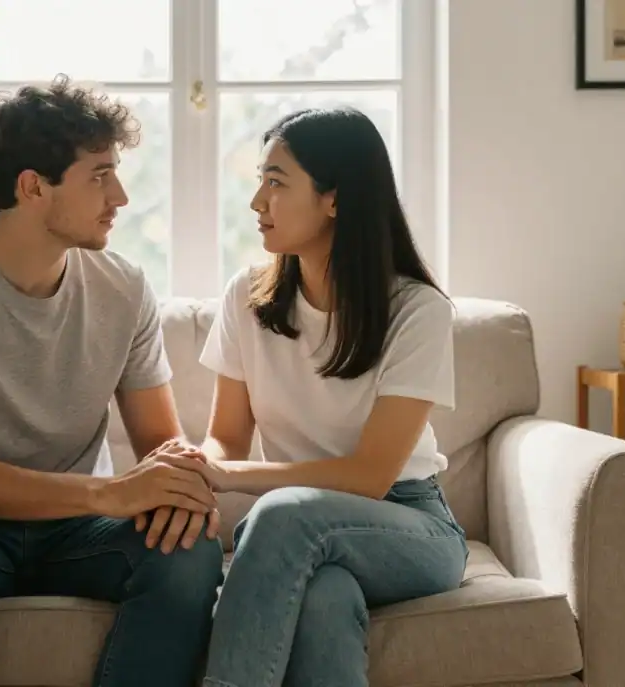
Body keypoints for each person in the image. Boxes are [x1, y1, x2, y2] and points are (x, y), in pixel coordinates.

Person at [0, 75, 224, 687]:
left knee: (189, 549)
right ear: (33, 187)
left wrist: (179, 481)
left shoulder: (123, 287)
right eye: (99, 176)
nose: (121, 196)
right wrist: (105, 495)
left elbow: (160, 451)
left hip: (79, 538)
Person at [158, 107, 470, 687]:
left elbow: (371, 475)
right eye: (260, 180)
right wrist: (201, 467)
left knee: (280, 516)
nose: (257, 202)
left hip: (410, 524)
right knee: (325, 597)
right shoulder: (248, 297)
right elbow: (227, 435)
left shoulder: (417, 311)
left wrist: (230, 476)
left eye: (276, 182)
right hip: (301, 528)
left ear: (336, 198)